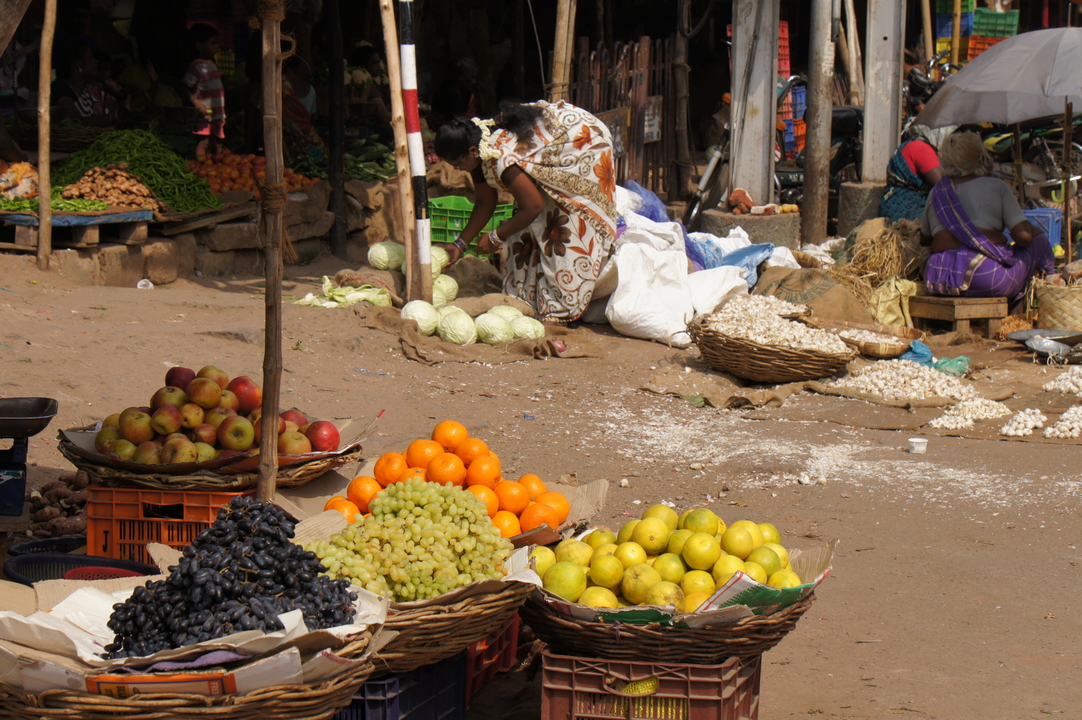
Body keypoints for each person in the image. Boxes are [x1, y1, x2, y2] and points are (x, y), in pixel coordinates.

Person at [434, 101, 618, 323]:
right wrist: (459, 244)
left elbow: (533, 206)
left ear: (471, 152)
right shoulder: (480, 153)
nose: (456, 170)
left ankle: (563, 303)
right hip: (551, 150)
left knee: (562, 227)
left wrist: (495, 236)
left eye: (456, 163)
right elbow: (484, 201)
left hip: (582, 145)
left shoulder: (501, 158)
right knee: (526, 231)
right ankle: (529, 296)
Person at [921, 132, 1054, 302]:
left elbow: (924, 239)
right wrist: (1033, 231)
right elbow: (1024, 237)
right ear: (980, 157)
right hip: (987, 278)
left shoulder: (935, 192)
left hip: (940, 279)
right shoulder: (997, 186)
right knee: (1040, 241)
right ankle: (1047, 294)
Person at [879, 125, 943, 222]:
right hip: (908, 211)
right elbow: (941, 184)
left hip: (892, 205)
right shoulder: (921, 148)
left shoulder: (909, 145)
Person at [183, 24, 225, 157]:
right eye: (213, 43)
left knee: (218, 141)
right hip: (204, 113)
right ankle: (201, 167)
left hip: (218, 113)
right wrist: (197, 104)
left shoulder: (212, 64)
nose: (216, 47)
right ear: (200, 46)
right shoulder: (196, 66)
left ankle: (216, 167)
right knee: (203, 141)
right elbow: (184, 86)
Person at [52, 41, 118, 126]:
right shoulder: (61, 92)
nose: (96, 61)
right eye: (91, 57)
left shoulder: (89, 90)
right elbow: (77, 124)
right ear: (78, 64)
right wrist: (115, 116)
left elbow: (115, 107)